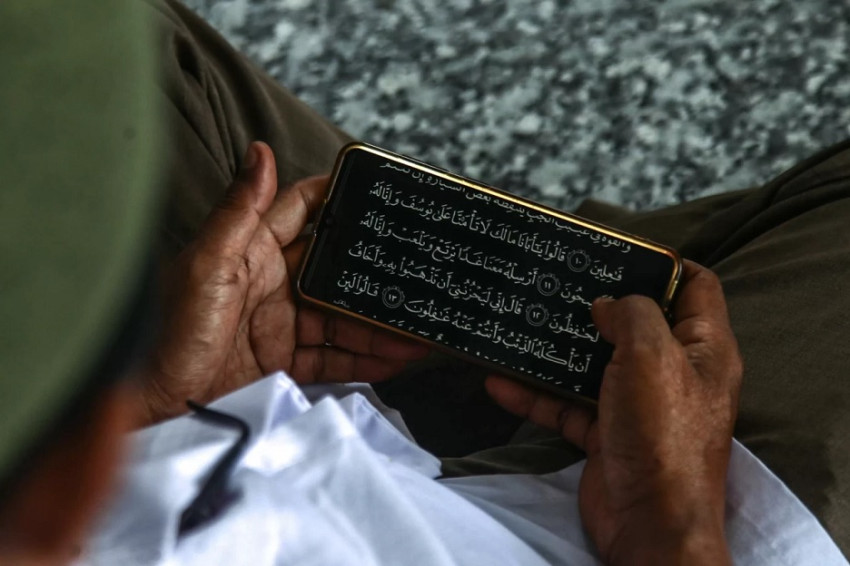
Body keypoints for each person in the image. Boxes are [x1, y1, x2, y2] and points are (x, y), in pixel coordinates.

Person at [0, 1, 847, 564]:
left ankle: (462, 357)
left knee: (60, 47)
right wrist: (674, 517)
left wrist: (161, 411)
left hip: (218, 422)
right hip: (635, 531)